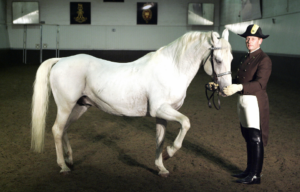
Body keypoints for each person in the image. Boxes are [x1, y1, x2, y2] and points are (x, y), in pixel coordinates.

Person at [223, 24, 272, 184]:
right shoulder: (246, 57)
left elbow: (260, 84)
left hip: (254, 102)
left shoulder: (264, 59)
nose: (249, 41)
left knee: (255, 138)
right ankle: (249, 170)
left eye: (253, 39)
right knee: (248, 136)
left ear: (260, 41)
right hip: (243, 101)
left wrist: (239, 87)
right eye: (247, 38)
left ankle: (255, 174)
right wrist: (222, 85)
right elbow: (239, 80)